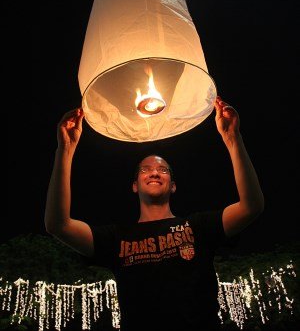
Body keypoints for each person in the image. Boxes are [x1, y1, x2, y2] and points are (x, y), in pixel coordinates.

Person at [44, 96, 264, 331]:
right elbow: (58, 225)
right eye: (145, 169)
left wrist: (233, 138)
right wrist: (64, 150)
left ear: (173, 185)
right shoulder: (117, 238)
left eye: (163, 169)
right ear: (135, 185)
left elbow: (251, 206)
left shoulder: (198, 226)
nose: (154, 173)